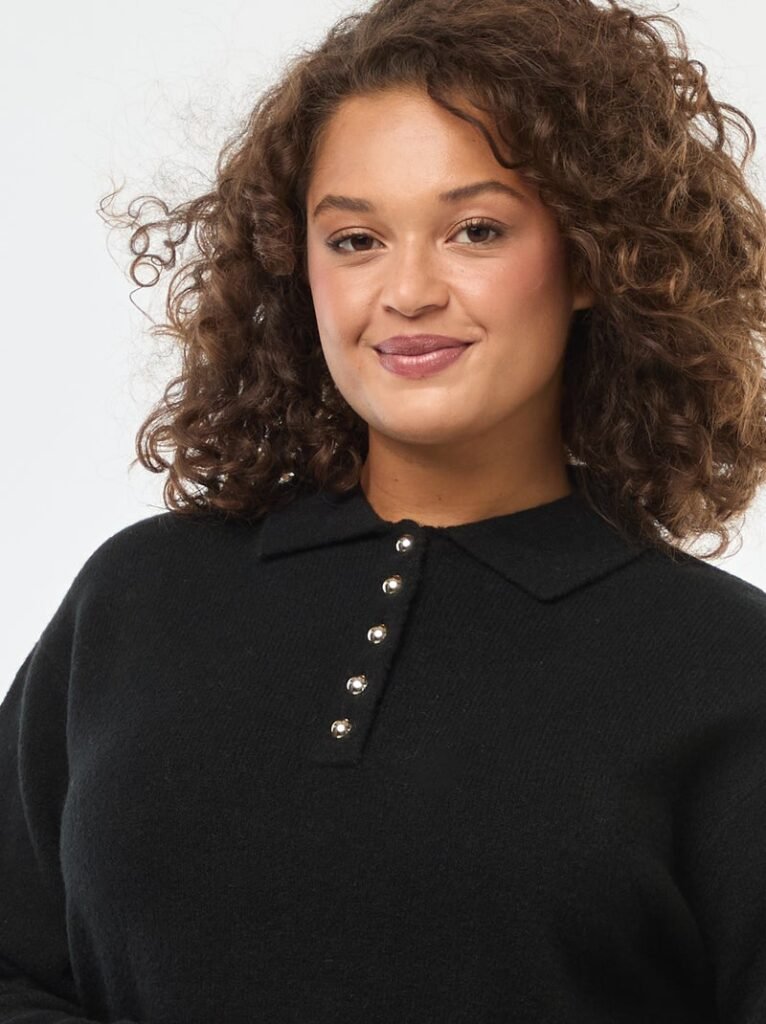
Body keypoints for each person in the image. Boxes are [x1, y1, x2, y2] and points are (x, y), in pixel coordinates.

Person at [3, 0, 766, 1020]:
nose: (407, 291)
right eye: (356, 238)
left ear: (592, 256)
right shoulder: (138, 597)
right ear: (300, 265)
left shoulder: (727, 668)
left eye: (476, 230)